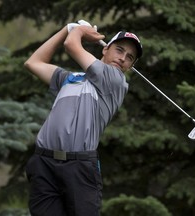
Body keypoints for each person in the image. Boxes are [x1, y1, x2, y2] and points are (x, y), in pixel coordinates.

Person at [24, 20, 143, 216]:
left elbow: (71, 45)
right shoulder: (70, 78)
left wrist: (77, 30)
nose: (122, 58)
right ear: (105, 50)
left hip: (79, 168)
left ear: (130, 66)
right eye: (119, 50)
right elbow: (33, 63)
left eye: (129, 57)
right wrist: (66, 29)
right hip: (44, 164)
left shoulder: (115, 82)